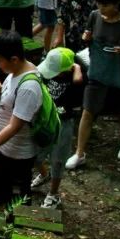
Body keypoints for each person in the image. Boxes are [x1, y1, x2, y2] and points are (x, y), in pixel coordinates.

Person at [66, 0, 120, 170]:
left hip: (117, 73)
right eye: (99, 4)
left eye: (105, 5)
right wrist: (87, 37)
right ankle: (79, 152)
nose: (101, 8)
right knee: (87, 110)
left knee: (119, 111)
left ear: (116, 4)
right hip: (97, 70)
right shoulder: (94, 16)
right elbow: (89, 36)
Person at [0, 31, 43, 207]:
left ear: (14, 59)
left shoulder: (29, 86)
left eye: (0, 59)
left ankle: (14, 224)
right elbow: (16, 102)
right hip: (5, 147)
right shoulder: (17, 71)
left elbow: (15, 126)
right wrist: (1, 90)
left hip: (16, 153)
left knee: (16, 196)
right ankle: (8, 215)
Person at [30, 48, 85, 209]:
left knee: (58, 160)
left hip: (63, 123)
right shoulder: (48, 74)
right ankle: (44, 174)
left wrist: (76, 68)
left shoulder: (76, 81)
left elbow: (78, 82)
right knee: (35, 154)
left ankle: (53, 194)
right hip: (46, 120)